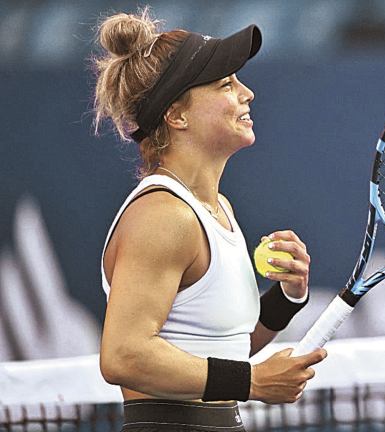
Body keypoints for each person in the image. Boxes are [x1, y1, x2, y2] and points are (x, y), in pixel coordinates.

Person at [91, 7, 326, 431]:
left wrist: (288, 299)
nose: (247, 92)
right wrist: (252, 382)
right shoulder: (163, 216)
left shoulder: (218, 208)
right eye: (226, 84)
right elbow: (123, 355)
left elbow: (224, 349)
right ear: (176, 116)